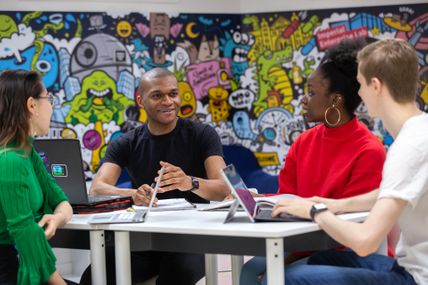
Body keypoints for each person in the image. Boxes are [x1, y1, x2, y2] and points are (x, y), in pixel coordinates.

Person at [271, 39, 427, 284]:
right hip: (406, 266)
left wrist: (315, 211)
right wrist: (332, 205)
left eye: (361, 84)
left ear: (375, 86)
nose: (359, 93)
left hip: (416, 278)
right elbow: (389, 194)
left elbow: (366, 242)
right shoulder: (420, 131)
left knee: (291, 277)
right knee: (316, 262)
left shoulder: (408, 146)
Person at [240, 39, 387, 284]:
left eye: (311, 92)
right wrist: (258, 201)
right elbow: (287, 197)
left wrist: (287, 259)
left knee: (271, 277)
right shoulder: (305, 141)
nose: (304, 100)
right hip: (302, 243)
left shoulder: (369, 150)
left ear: (336, 101)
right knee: (248, 270)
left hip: (345, 251)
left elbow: (352, 226)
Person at [81, 67, 229, 285]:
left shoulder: (202, 134)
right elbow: (97, 188)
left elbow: (225, 188)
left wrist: (190, 182)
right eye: (157, 95)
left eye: (173, 94)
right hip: (142, 242)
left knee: (179, 274)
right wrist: (133, 194)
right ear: (141, 101)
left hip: (190, 240)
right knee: (93, 277)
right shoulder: (126, 142)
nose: (168, 101)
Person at [0, 70, 73, 285]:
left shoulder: (27, 152)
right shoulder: (9, 161)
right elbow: (28, 243)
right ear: (32, 105)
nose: (51, 107)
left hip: (26, 267)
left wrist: (57, 218)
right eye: (48, 99)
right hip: (14, 271)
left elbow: (60, 199)